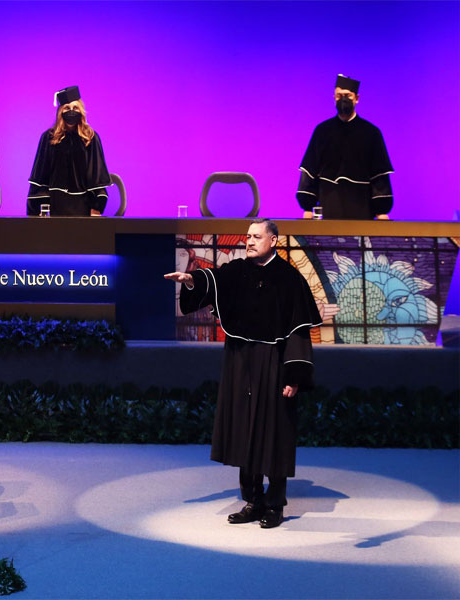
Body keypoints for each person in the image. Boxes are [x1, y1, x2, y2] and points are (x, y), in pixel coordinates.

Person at [164, 219, 322, 528]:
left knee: (273, 430)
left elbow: (299, 331)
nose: (248, 241)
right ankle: (253, 499)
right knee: (243, 428)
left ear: (273, 240)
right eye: (247, 236)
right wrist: (191, 280)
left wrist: (294, 376)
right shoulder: (238, 271)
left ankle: (275, 504)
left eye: (256, 236)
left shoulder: (289, 279)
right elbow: (210, 279)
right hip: (239, 359)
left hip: (274, 361)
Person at [297, 74, 394, 220]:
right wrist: (307, 208)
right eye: (339, 95)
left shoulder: (371, 132)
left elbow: (379, 174)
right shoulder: (322, 131)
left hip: (361, 203)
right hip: (329, 200)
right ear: (334, 98)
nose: (343, 99)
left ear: (357, 98)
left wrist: (382, 211)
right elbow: (310, 170)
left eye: (347, 95)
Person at [27, 86, 111, 216]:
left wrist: (96, 206)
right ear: (60, 111)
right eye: (66, 108)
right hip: (55, 203)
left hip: (83, 205)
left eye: (75, 108)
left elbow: (96, 175)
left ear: (81, 110)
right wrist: (40, 207)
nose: (71, 111)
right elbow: (41, 174)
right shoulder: (48, 137)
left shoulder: (90, 137)